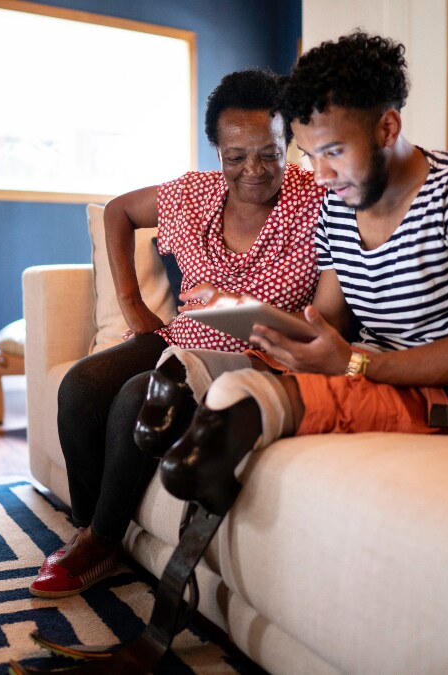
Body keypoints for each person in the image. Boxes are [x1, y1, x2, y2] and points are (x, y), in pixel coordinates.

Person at [154, 32, 448, 515]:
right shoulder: (338, 205)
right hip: (361, 367)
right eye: (309, 156)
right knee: (181, 370)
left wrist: (356, 364)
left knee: (235, 404)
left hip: (437, 396)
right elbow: (328, 318)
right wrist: (254, 319)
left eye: (333, 151)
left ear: (388, 128)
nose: (320, 176)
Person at [28, 68, 324, 598]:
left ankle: (99, 541)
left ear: (290, 144)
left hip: (254, 358)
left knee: (134, 398)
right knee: (79, 388)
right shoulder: (193, 194)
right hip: (180, 337)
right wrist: (130, 302)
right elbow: (118, 211)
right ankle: (96, 528)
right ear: (217, 152)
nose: (253, 170)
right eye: (236, 157)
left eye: (270, 153)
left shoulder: (318, 201)